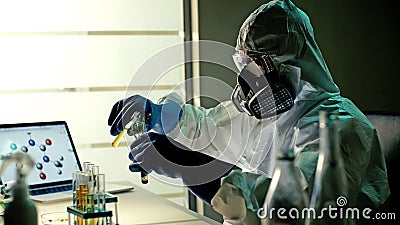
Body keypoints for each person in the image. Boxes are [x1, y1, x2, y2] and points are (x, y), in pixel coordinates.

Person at [108, 0, 390, 224]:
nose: (248, 76)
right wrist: (158, 116)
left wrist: (189, 170)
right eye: (244, 61)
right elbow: (210, 128)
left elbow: (295, 208)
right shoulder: (263, 113)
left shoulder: (340, 127)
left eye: (257, 62)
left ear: (293, 63)